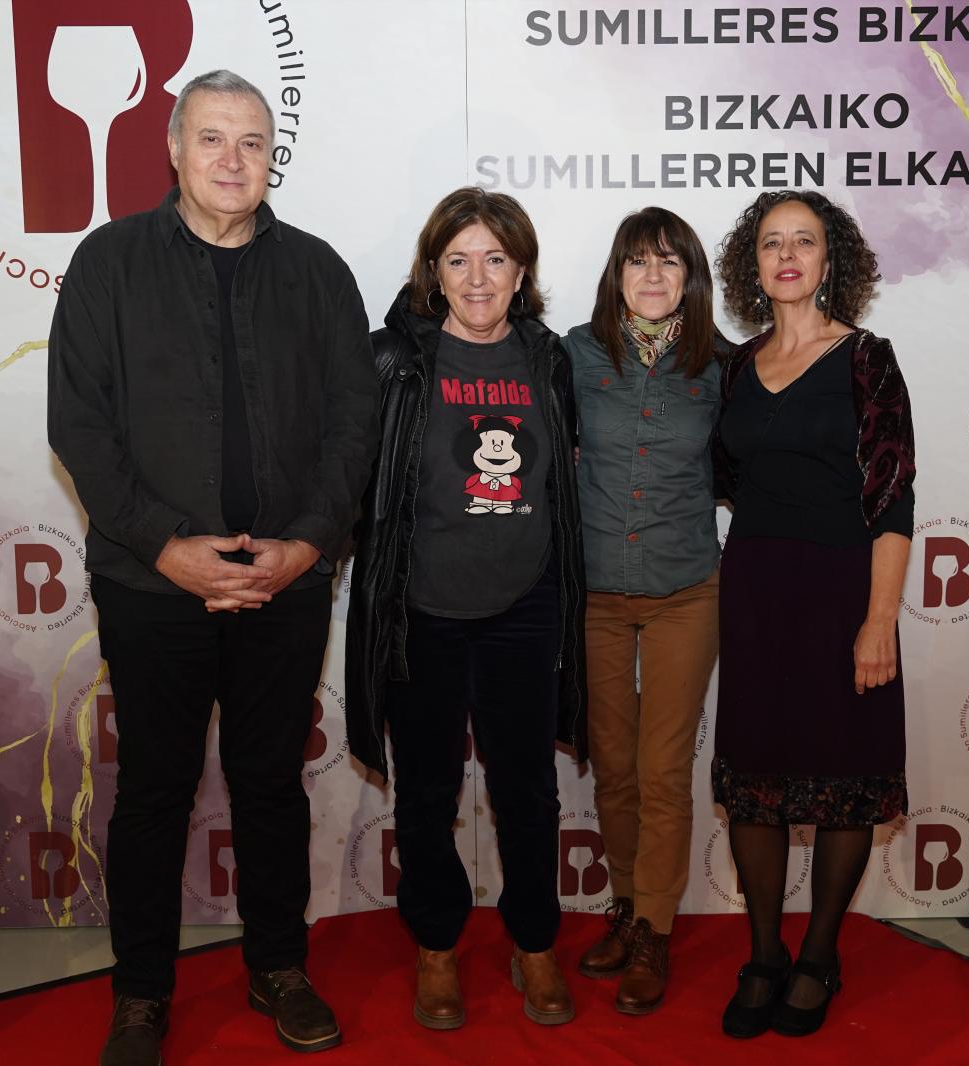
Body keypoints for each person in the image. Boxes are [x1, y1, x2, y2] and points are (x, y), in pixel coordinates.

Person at [47, 70, 378, 1065]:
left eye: (252, 141)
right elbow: (80, 426)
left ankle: (279, 966)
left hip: (287, 581)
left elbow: (354, 424)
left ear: (272, 154)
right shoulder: (108, 263)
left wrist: (306, 545)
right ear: (173, 148)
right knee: (154, 790)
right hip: (152, 586)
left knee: (270, 783)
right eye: (212, 139)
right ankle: (142, 993)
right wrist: (165, 547)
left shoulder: (318, 272)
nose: (233, 160)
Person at [345, 187, 587, 1031]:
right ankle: (438, 945)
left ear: (521, 272)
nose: (477, 278)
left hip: (527, 606)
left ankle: (534, 943)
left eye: (495, 259)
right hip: (422, 612)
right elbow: (349, 476)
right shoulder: (391, 359)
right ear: (433, 272)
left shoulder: (550, 360)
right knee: (426, 793)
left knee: (528, 793)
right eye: (458, 260)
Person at [709, 190, 915, 1039]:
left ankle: (819, 956)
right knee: (755, 785)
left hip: (842, 593)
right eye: (771, 243)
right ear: (752, 265)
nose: (787, 256)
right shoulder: (734, 367)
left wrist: (879, 620)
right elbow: (723, 478)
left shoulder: (867, 359)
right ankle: (764, 955)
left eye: (804, 241)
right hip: (754, 593)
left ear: (832, 261)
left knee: (843, 782)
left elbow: (894, 499)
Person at [561, 207, 727, 1014]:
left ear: (691, 277)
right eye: (637, 261)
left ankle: (655, 929)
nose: (653, 276)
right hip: (594, 592)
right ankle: (626, 907)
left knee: (662, 770)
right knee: (614, 766)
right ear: (616, 273)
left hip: (685, 592)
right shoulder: (573, 354)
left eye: (669, 262)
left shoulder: (722, 366)